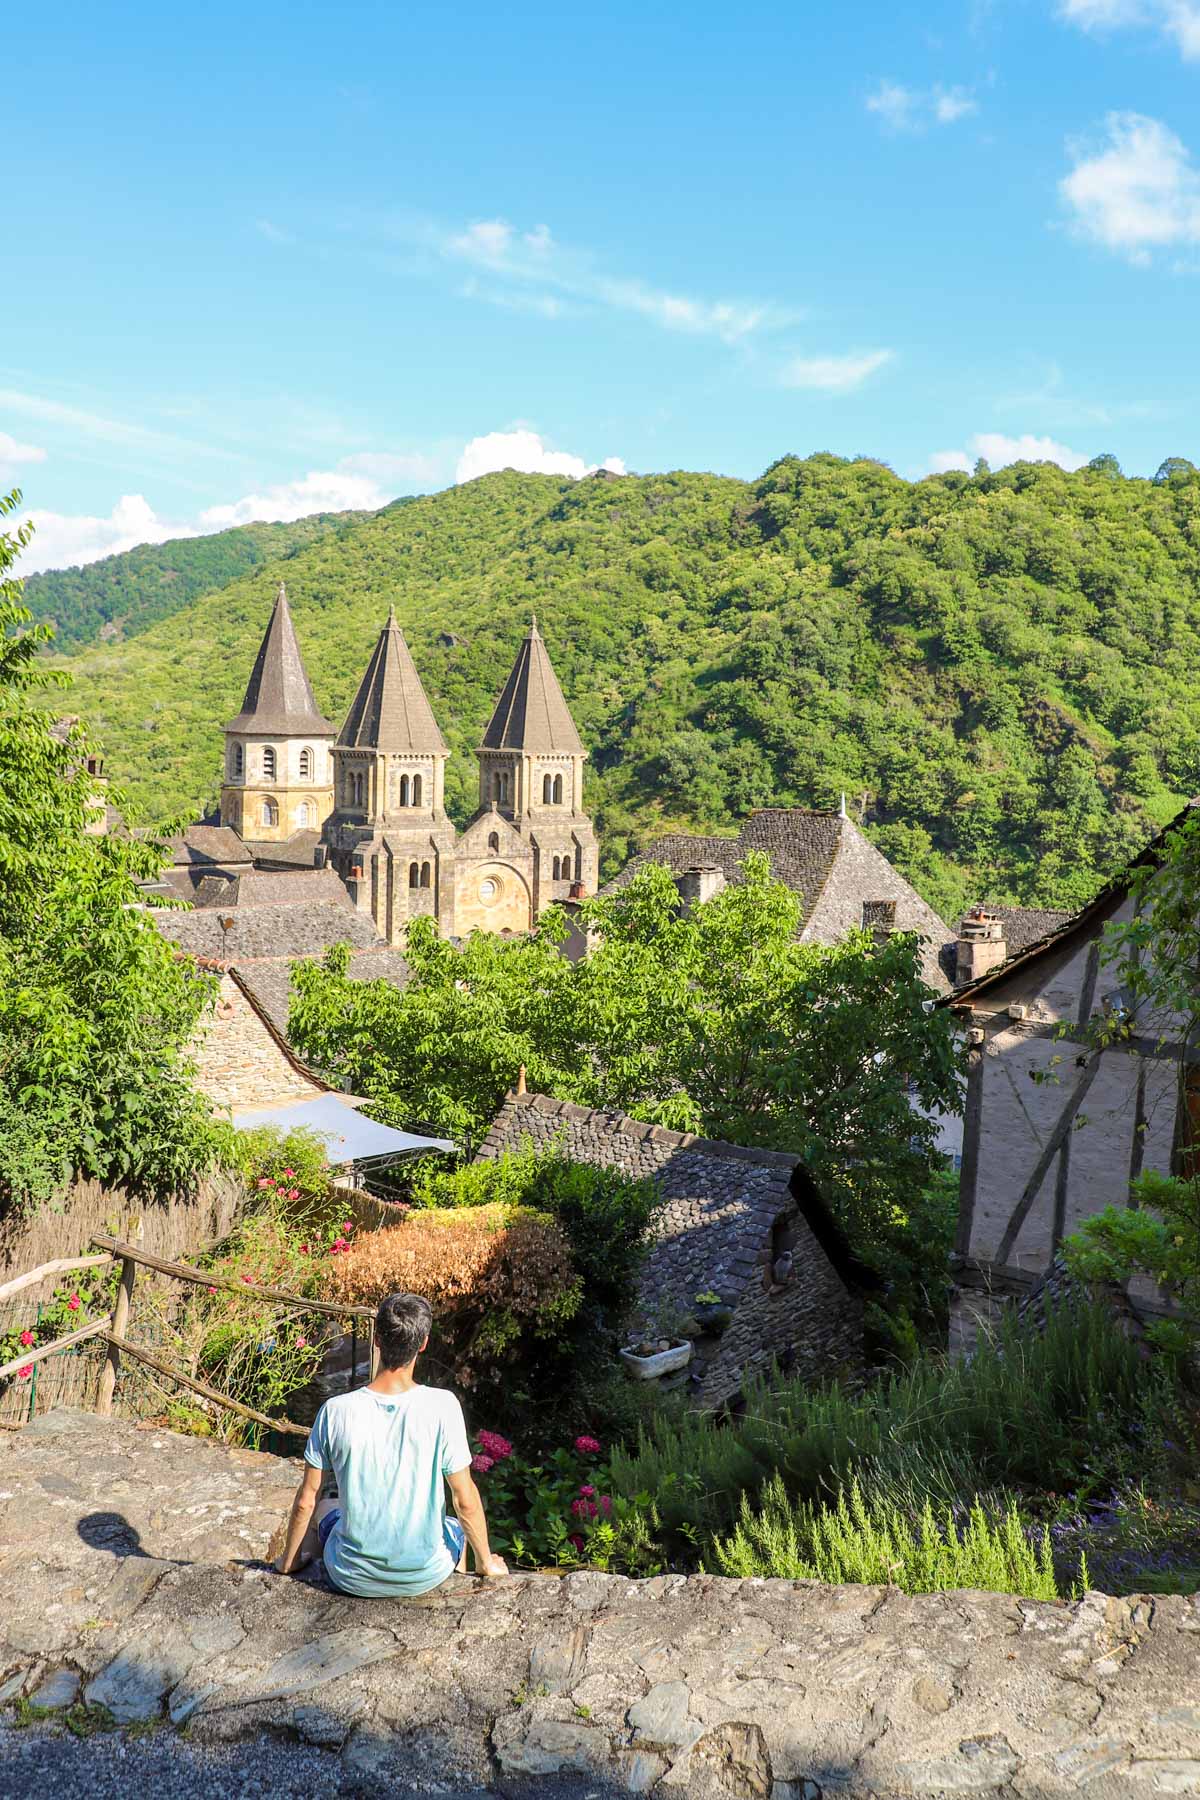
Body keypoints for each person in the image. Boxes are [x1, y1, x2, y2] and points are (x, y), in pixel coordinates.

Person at [274, 1291, 508, 1594]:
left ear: (377, 1339)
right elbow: (464, 1499)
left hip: (350, 1577)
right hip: (424, 1576)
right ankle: (458, 1585)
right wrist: (487, 1562)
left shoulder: (336, 1410)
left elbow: (307, 1500)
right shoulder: (443, 1406)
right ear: (422, 1343)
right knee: (453, 1528)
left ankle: (309, 1568)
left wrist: (286, 1562)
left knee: (327, 1508)